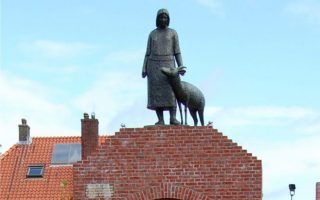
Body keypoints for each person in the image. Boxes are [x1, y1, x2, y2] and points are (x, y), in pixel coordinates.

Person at [142, 8, 183, 125]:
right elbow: (147, 53)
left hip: (169, 64)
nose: (163, 19)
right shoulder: (152, 34)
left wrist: (181, 66)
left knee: (171, 91)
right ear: (157, 19)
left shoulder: (173, 33)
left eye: (165, 17)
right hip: (154, 65)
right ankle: (160, 119)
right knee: (156, 93)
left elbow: (177, 52)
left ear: (168, 19)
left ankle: (172, 117)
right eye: (161, 17)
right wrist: (144, 68)